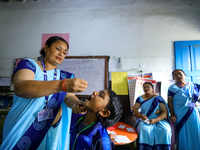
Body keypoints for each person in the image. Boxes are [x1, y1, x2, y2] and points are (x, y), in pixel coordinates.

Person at [0, 36, 88, 150]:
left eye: (65, 52)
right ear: (46, 47)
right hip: (21, 124)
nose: (61, 53)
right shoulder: (28, 65)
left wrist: (77, 104)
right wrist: (62, 85)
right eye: (58, 48)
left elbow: (69, 97)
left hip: (48, 129)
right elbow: (21, 88)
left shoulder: (64, 76)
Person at [133, 82, 172, 150]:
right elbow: (135, 109)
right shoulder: (140, 98)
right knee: (144, 129)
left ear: (152, 88)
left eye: (148, 87)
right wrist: (140, 115)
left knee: (165, 130)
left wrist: (156, 120)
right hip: (146, 119)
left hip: (159, 119)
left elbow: (164, 112)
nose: (146, 88)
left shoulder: (158, 98)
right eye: (144, 87)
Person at [168, 69, 200, 150]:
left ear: (185, 75)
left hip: (193, 111)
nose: (178, 76)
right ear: (174, 78)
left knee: (195, 129)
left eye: (180, 74)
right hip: (180, 112)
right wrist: (172, 114)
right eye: (175, 75)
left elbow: (198, 99)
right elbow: (170, 102)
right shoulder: (172, 88)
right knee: (183, 131)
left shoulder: (193, 86)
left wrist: (197, 104)